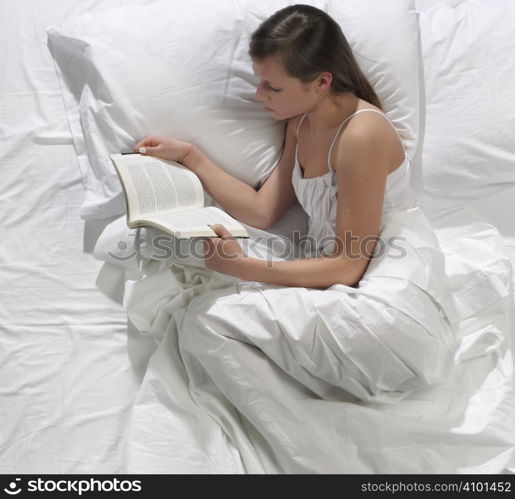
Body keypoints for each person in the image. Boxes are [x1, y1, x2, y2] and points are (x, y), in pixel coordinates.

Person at [133, 4, 416, 290]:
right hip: (320, 269)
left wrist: (246, 268)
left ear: (321, 81)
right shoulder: (301, 124)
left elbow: (349, 264)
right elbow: (262, 211)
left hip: (378, 273)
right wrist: (189, 156)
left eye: (273, 87)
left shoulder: (362, 136)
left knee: (212, 318)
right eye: (260, 81)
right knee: (155, 250)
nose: (259, 95)